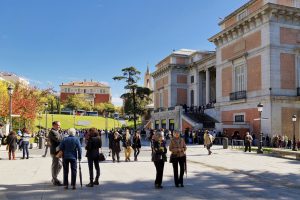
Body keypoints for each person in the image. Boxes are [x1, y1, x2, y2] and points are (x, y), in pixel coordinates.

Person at [48, 121, 63, 186]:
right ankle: (55, 180)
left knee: (59, 165)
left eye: (59, 125)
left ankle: (54, 178)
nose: (59, 126)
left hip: (57, 151)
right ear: (53, 125)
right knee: (55, 165)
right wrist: (63, 138)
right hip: (54, 151)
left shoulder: (56, 131)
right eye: (58, 125)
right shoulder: (52, 132)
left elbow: (60, 138)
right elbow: (58, 139)